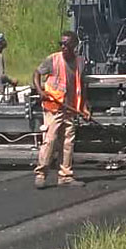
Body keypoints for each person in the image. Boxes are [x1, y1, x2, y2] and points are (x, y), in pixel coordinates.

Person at [32, 31, 88, 189]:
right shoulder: (53, 59)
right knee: (49, 141)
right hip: (54, 108)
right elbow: (36, 73)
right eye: (61, 44)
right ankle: (41, 174)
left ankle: (65, 176)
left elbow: (82, 86)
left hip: (69, 109)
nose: (63, 47)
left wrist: (83, 106)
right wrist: (40, 91)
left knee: (67, 143)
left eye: (66, 44)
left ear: (74, 46)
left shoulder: (80, 62)